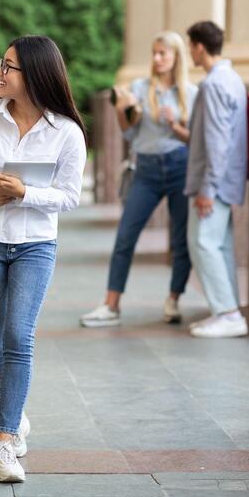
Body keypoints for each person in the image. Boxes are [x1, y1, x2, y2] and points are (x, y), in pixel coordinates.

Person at [0, 36, 87, 483]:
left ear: (35, 74)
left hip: (35, 245)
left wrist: (24, 193)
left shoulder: (66, 131)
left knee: (18, 335)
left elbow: (69, 197)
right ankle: (17, 412)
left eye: (9, 67)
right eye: (1, 64)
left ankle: (5, 441)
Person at [80, 32, 197, 327]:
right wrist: (122, 110)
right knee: (125, 236)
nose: (157, 59)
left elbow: (196, 140)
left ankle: (173, 299)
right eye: (154, 53)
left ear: (176, 58)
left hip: (179, 167)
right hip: (145, 170)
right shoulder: (139, 88)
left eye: (163, 54)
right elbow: (129, 134)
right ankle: (111, 304)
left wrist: (175, 125)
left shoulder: (191, 93)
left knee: (180, 238)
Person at [183, 21, 249, 338]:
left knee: (203, 244)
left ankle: (228, 313)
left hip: (214, 183)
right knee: (218, 246)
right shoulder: (232, 79)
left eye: (190, 46)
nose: (189, 52)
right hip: (228, 180)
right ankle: (227, 311)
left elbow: (217, 142)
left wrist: (206, 189)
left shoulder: (212, 85)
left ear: (198, 46)